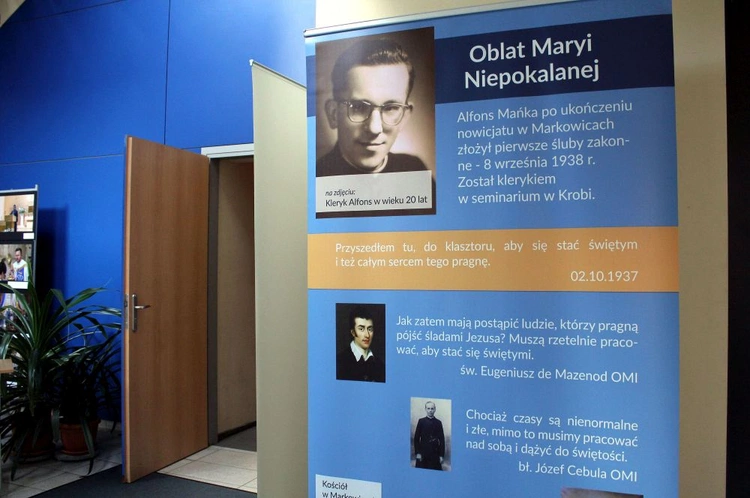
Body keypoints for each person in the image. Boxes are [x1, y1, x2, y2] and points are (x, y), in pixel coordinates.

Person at [317, 37, 429, 177]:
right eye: (358, 107)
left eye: (390, 108)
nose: (374, 129)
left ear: (404, 117)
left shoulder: (415, 170)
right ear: (333, 114)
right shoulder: (316, 178)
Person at [336, 306, 385, 382]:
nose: (367, 335)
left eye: (370, 329)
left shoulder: (380, 365)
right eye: (361, 329)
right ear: (353, 332)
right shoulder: (339, 361)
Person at [414, 401, 445, 470]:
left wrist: (441, 455)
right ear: (425, 409)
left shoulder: (438, 423)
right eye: (428, 408)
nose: (430, 410)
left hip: (435, 453)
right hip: (423, 453)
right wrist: (418, 453)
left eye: (432, 408)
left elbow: (442, 440)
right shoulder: (421, 421)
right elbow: (416, 439)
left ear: (435, 409)